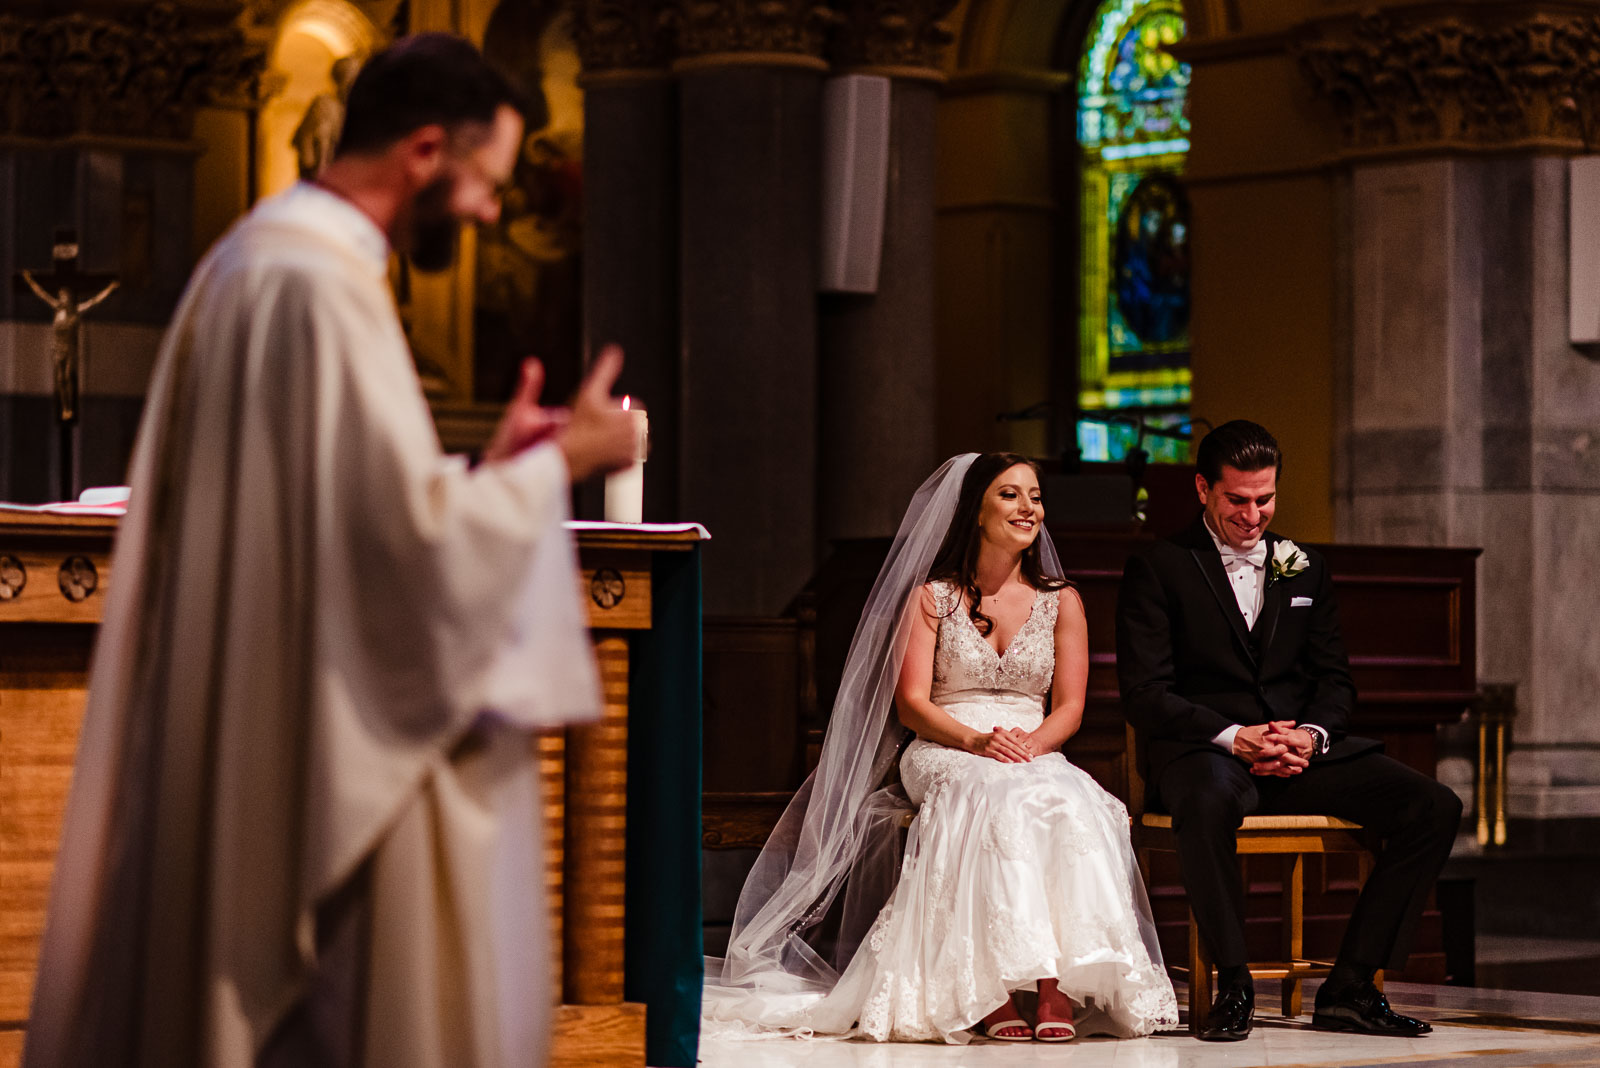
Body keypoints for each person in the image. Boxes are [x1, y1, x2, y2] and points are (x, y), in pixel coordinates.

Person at [24, 34, 638, 1068]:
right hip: (309, 738)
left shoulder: (263, 257)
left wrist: (491, 467)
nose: (491, 214)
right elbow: (403, 555)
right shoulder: (319, 286)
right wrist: (558, 466)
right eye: (487, 183)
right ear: (426, 150)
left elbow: (338, 515)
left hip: (260, 694)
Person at [704, 452, 1177, 1043]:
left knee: (1071, 799)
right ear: (975, 510)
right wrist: (978, 740)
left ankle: (1054, 985)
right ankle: (993, 991)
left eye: (1034, 495)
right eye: (1010, 495)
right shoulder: (933, 598)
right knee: (994, 797)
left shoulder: (1063, 601)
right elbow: (912, 705)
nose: (1028, 508)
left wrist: (1029, 744)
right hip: (947, 742)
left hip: (1030, 744)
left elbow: (1072, 708)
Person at [1115, 419, 1463, 1042]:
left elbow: (1336, 682)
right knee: (1206, 801)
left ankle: (1351, 986)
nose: (1254, 516)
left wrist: (1310, 736)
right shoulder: (1160, 567)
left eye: (1265, 499)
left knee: (1432, 806)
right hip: (1207, 754)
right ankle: (1235, 984)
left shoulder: (1305, 567)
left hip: (1297, 755)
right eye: (1238, 501)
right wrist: (1234, 736)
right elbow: (1146, 695)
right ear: (1202, 489)